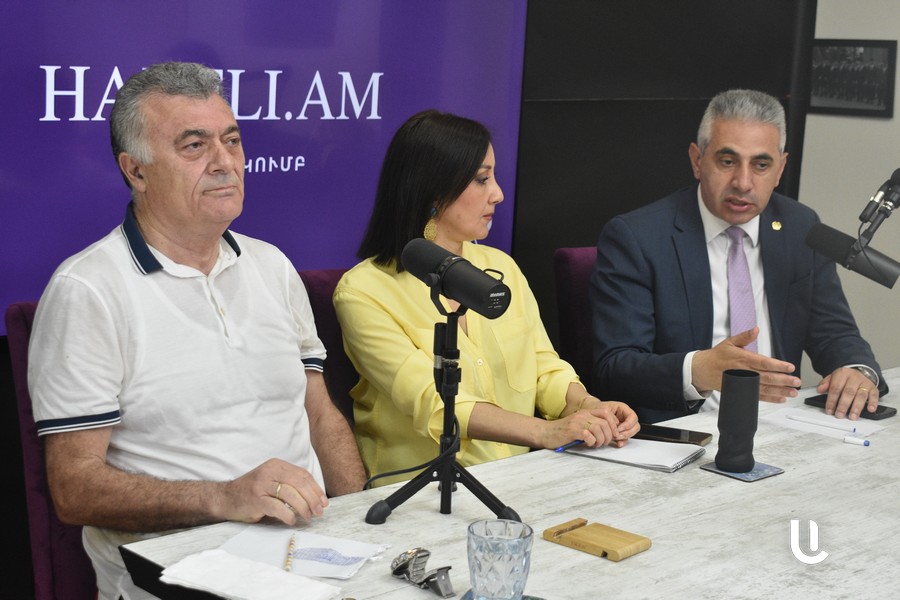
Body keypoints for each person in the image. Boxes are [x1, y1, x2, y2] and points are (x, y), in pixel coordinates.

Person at [28, 62, 366, 599]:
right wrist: (224, 497)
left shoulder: (273, 266)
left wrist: (359, 523)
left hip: (314, 560)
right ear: (136, 171)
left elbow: (319, 414)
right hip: (178, 578)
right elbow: (74, 488)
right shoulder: (87, 290)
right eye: (194, 146)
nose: (225, 162)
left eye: (231, 140)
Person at [333, 110, 639, 487]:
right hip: (422, 491)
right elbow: (435, 403)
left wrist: (588, 407)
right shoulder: (363, 291)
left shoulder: (501, 267)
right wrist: (545, 432)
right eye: (482, 179)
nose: (498, 193)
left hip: (519, 479)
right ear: (433, 188)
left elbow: (543, 367)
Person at [590, 89, 885, 424]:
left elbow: (835, 334)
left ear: (780, 169)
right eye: (727, 162)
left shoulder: (800, 226)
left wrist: (856, 370)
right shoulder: (638, 237)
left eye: (761, 165)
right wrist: (697, 370)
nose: (743, 183)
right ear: (697, 160)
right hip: (685, 431)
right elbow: (615, 366)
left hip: (782, 424)